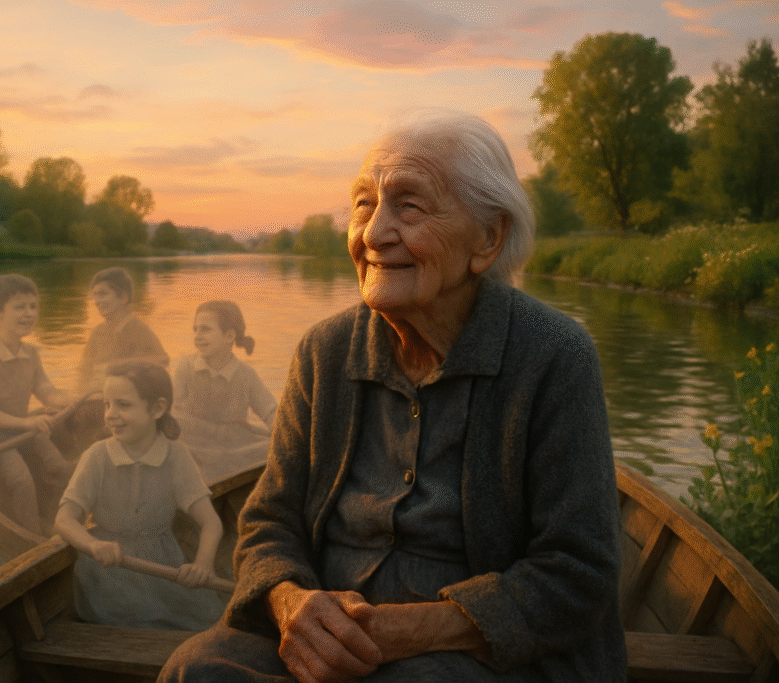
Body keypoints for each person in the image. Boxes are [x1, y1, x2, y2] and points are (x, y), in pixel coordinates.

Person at [160, 114, 626, 682]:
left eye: (409, 206)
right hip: (330, 642)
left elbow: (578, 572)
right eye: (363, 204)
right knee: (198, 669)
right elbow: (267, 520)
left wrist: (403, 631)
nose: (373, 233)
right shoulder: (324, 352)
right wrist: (292, 605)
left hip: (484, 655)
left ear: (488, 238)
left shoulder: (555, 356)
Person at [54, 361, 226, 630]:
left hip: (164, 565)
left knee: (209, 621)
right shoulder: (97, 457)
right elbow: (64, 520)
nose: (110, 414)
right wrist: (93, 545)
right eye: (107, 405)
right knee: (137, 621)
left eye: (123, 405)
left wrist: (203, 564)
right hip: (110, 570)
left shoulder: (175, 455)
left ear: (157, 408)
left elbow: (211, 523)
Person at [0, 274, 75, 535]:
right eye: (19, 307)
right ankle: (33, 534)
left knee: (59, 467)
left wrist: (69, 399)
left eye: (33, 306)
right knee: (21, 480)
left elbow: (46, 391)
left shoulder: (31, 353)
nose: (29, 314)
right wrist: (26, 422)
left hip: (24, 429)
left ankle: (59, 519)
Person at [171, 300, 278, 483]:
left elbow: (270, 411)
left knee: (275, 446)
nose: (197, 336)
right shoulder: (185, 367)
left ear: (229, 336)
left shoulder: (245, 375)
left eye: (205, 329)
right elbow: (173, 411)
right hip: (195, 441)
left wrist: (285, 435)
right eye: (195, 329)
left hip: (235, 443)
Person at [76, 267, 169, 395]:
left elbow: (162, 361)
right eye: (95, 295)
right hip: (97, 396)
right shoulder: (98, 332)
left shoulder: (139, 330)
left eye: (103, 294)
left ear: (123, 297)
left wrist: (120, 365)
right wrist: (78, 397)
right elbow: (84, 372)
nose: (96, 302)